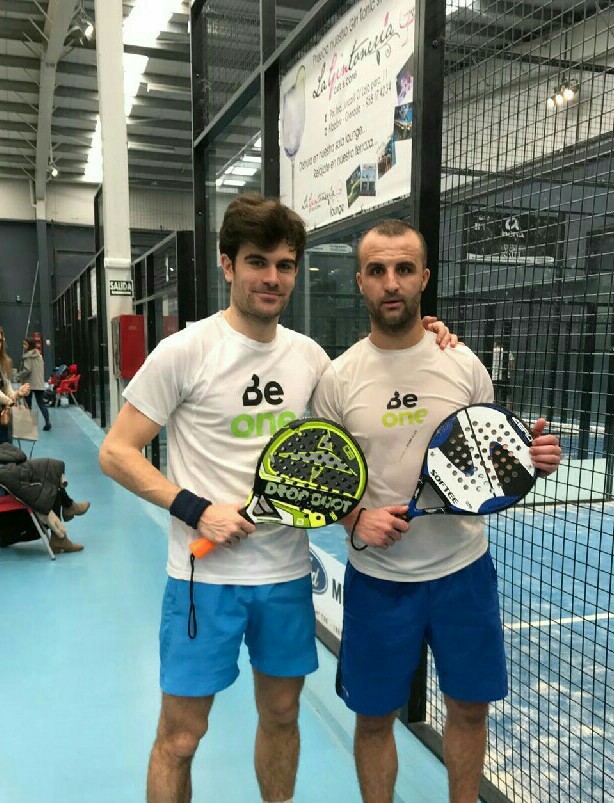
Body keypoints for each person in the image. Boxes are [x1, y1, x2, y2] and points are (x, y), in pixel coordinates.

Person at [98, 194, 456, 803]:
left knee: (284, 716)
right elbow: (116, 452)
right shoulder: (186, 351)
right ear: (227, 265)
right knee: (181, 738)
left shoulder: (309, 358)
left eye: (284, 265)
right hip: (203, 579)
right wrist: (197, 509)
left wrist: (431, 336)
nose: (272, 277)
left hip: (287, 575)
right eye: (257, 262)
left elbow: (363, 397)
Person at [312, 219, 562, 803]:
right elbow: (325, 479)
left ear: (424, 277)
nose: (391, 282)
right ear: (360, 281)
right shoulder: (338, 378)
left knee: (469, 710)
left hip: (463, 575)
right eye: (377, 270)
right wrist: (354, 519)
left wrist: (532, 460)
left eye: (404, 269)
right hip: (378, 581)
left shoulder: (463, 364)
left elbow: (488, 457)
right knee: (375, 717)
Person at [0, 440, 90, 553]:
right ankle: (68, 508)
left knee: (46, 475)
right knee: (47, 488)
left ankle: (68, 510)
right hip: (6, 527)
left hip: (8, 507)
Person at [0, 326, 31, 445]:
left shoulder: (2, 364)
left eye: (0, 341)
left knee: (7, 450)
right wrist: (9, 401)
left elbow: (7, 388)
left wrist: (18, 394)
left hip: (4, 418)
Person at [19, 337, 52, 431]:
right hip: (39, 383)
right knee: (41, 404)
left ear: (29, 345)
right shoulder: (39, 356)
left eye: (25, 344)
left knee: (28, 404)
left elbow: (27, 370)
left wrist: (18, 376)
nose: (23, 346)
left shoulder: (27, 357)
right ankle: (48, 422)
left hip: (28, 384)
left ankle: (29, 425)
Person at [491, 338, 516, 407]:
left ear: (495, 343)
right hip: (505, 377)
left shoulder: (492, 351)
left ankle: (491, 411)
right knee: (507, 397)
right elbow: (513, 366)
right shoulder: (507, 351)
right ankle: (507, 412)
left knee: (492, 397)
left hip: (494, 377)